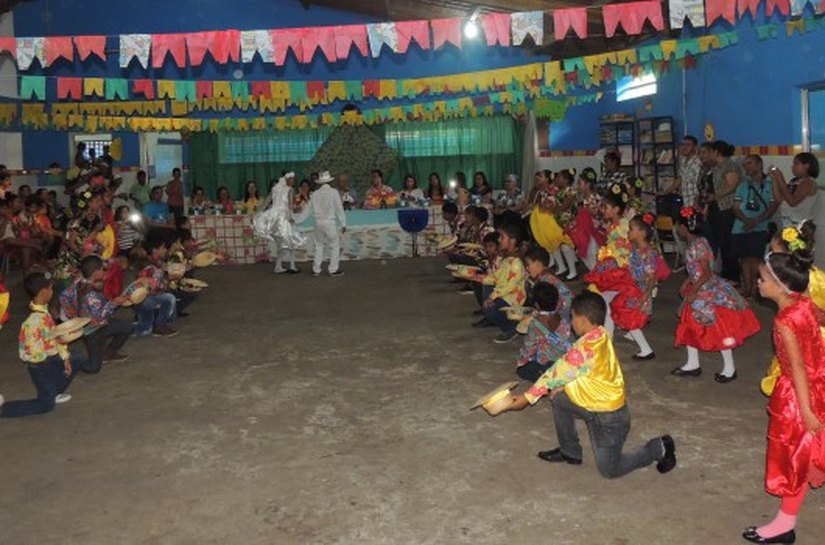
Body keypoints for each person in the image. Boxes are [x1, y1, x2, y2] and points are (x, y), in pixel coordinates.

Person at [497, 291, 677, 478]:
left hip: (609, 417)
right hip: (592, 402)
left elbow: (557, 372)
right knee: (559, 397)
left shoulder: (585, 349)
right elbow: (578, 370)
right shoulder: (600, 333)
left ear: (583, 320)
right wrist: (562, 386)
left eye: (573, 317)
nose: (571, 321)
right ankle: (570, 452)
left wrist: (526, 398)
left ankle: (658, 447)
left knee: (610, 470)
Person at [742, 241, 825, 544]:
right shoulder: (804, 303)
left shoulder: (784, 320)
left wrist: (805, 411)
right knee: (810, 455)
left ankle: (784, 525)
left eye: (763, 278)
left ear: (781, 286)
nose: (758, 282)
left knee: (795, 459)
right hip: (821, 383)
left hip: (799, 396)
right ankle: (784, 522)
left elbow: (798, 368)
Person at [672, 207, 761, 382]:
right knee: (690, 325)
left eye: (678, 225)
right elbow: (698, 271)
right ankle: (693, 363)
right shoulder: (698, 242)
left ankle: (729, 368)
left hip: (705, 291)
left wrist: (694, 289)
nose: (677, 229)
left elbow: (705, 273)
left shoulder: (698, 244)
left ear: (684, 227)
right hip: (701, 288)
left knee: (719, 329)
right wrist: (689, 281)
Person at [0, 272, 87, 418]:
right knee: (46, 405)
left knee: (76, 357)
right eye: (51, 288)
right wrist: (56, 343)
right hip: (40, 365)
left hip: (48, 360)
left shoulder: (43, 311)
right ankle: (4, 410)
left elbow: (53, 335)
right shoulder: (33, 321)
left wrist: (64, 355)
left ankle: (53, 392)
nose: (52, 291)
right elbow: (32, 354)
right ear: (44, 291)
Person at [583, 188, 632, 338]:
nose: (603, 210)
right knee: (605, 299)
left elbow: (629, 246)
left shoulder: (624, 225)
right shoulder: (612, 224)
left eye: (606, 207)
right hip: (610, 266)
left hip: (619, 269)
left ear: (616, 209)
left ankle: (609, 335)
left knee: (607, 299)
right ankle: (608, 334)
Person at [76, 255, 132, 373]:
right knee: (93, 368)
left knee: (127, 326)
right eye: (102, 269)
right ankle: (72, 361)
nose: (104, 272)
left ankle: (108, 351)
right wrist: (114, 303)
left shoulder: (85, 283)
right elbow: (100, 316)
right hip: (92, 331)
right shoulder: (90, 293)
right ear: (95, 272)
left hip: (98, 325)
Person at [732, 154, 778, 299]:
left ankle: (755, 288)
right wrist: (746, 220)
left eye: (750, 163)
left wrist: (755, 221)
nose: (746, 167)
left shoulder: (770, 185)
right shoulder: (742, 186)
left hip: (759, 227)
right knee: (745, 258)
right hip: (741, 227)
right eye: (745, 164)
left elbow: (772, 207)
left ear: (759, 165)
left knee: (756, 258)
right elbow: (735, 207)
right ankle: (747, 288)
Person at [515, 282, 572, 382]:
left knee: (522, 370)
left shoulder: (536, 323)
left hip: (549, 363)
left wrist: (520, 363)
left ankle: (547, 381)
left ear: (536, 304)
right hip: (565, 361)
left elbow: (529, 348)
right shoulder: (561, 317)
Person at [482, 221, 526, 344]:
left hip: (513, 298)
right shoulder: (508, 259)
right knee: (486, 288)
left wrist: (493, 296)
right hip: (506, 294)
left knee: (489, 307)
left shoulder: (516, 262)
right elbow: (498, 277)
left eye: (502, 237)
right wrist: (480, 278)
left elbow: (509, 286)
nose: (499, 240)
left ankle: (511, 328)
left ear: (512, 241)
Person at [706, 140, 743, 282]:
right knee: (721, 243)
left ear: (716, 152)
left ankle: (732, 276)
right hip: (717, 208)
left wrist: (715, 196)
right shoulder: (717, 167)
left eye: (710, 152)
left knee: (728, 244)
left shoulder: (729, 165)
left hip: (727, 209)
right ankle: (724, 274)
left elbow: (732, 186)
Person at [253, 173, 304, 274]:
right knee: (291, 241)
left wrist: (259, 212)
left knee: (281, 243)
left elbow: (267, 201)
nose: (293, 182)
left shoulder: (275, 189)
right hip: (284, 217)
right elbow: (289, 205)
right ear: (287, 180)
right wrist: (291, 216)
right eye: (292, 180)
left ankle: (279, 266)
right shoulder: (289, 189)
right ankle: (291, 266)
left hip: (274, 217)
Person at [297, 171, 346, 277]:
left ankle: (316, 269)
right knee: (334, 245)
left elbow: (307, 210)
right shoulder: (334, 192)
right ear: (330, 181)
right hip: (330, 222)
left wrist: (297, 220)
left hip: (318, 222)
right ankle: (333, 269)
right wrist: (343, 223)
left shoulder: (315, 194)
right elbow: (339, 209)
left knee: (319, 245)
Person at [135, 238, 179, 337]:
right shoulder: (151, 266)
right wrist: (169, 280)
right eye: (162, 248)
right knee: (169, 298)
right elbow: (153, 288)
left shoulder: (153, 262)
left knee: (144, 330)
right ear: (155, 250)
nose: (165, 250)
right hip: (145, 299)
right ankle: (159, 326)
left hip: (142, 300)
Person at [771, 152, 819, 229]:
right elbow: (779, 199)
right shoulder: (794, 181)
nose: (792, 167)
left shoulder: (808, 182)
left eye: (796, 164)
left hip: (800, 225)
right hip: (787, 223)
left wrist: (780, 178)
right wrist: (774, 179)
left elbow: (792, 202)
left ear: (806, 166)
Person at [571, 168, 604, 270]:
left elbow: (598, 215)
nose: (577, 186)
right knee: (586, 257)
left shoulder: (595, 198)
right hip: (584, 232)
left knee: (592, 257)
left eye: (580, 183)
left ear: (588, 184)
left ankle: (597, 282)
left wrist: (587, 211)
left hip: (593, 233)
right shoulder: (581, 198)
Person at [663, 135, 702, 208]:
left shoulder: (698, 163)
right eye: (683, 144)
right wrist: (666, 192)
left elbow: (699, 184)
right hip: (685, 201)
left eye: (688, 145)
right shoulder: (683, 161)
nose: (685, 147)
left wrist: (697, 202)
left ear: (695, 147)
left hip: (695, 203)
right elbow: (680, 179)